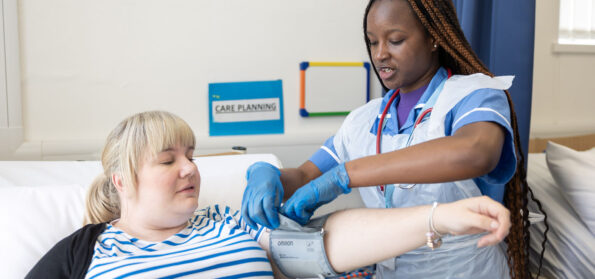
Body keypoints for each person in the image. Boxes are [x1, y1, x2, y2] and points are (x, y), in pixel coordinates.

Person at [242, 0, 547, 278]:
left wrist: (346, 175)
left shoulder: (474, 94)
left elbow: (475, 152)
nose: (380, 54)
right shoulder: (363, 119)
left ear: (433, 37)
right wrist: (268, 175)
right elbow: (305, 175)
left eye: (395, 40)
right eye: (372, 42)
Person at [26, 111, 511, 279]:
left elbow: (327, 242)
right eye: (168, 160)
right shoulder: (86, 251)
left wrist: (439, 217)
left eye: (191, 154)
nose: (190, 168)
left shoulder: (228, 221)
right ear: (121, 181)